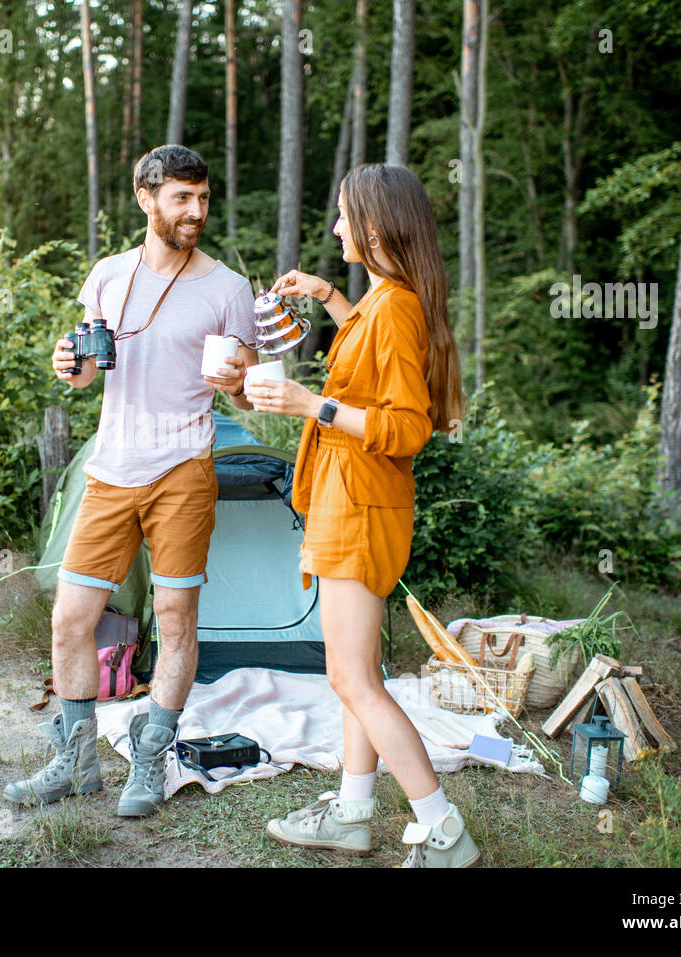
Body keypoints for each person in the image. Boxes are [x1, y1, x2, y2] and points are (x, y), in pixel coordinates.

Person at [4, 145, 260, 817]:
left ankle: (151, 754)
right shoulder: (108, 276)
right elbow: (90, 371)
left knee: (175, 617)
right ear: (147, 199)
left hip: (183, 470)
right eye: (182, 198)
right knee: (70, 620)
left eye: (203, 198)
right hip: (112, 470)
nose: (196, 212)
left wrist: (239, 385)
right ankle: (76, 760)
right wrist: (68, 362)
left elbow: (247, 397)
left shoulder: (228, 289)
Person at [245, 163, 477, 867]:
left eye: (346, 216)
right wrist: (329, 295)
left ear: (377, 227)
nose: (338, 227)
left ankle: (442, 828)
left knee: (353, 677)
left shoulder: (399, 305)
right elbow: (372, 354)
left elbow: (407, 425)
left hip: (362, 505)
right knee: (353, 668)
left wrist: (308, 405)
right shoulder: (385, 301)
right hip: (351, 500)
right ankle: (350, 812)